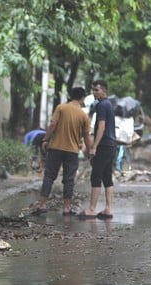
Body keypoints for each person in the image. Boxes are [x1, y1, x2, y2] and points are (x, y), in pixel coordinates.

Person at [34, 87, 92, 215]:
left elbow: (52, 125)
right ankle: (66, 208)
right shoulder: (83, 115)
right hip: (72, 151)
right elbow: (87, 135)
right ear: (82, 98)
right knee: (69, 179)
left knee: (49, 176)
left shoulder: (61, 108)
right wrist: (90, 151)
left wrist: (45, 139)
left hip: (55, 148)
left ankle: (42, 205)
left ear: (71, 96)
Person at [79, 80, 116, 220]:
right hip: (112, 145)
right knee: (107, 177)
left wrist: (94, 147)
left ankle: (92, 209)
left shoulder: (101, 105)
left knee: (96, 176)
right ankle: (108, 209)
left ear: (104, 91)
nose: (94, 92)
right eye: (93, 90)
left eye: (96, 90)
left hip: (104, 145)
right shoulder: (109, 105)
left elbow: (101, 126)